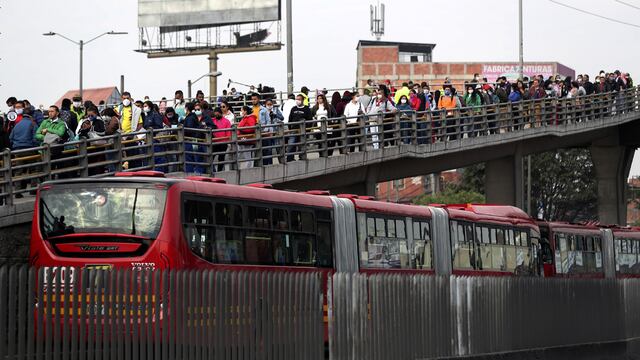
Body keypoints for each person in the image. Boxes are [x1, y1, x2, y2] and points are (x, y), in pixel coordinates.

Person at [286, 94, 312, 162]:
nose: (297, 101)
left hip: (303, 130)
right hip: (294, 130)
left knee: (302, 145)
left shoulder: (307, 109)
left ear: (302, 100)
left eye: (299, 99)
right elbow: (290, 119)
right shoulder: (293, 108)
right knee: (291, 144)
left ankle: (302, 157)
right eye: (296, 99)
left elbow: (310, 120)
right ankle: (290, 158)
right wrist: (290, 128)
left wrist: (308, 130)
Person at [183, 102, 205, 174]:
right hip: (195, 140)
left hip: (191, 141)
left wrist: (183, 130)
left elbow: (189, 129)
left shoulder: (190, 118)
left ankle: (190, 174)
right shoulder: (194, 117)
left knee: (190, 159)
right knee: (198, 159)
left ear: (187, 108)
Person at [211, 107, 232, 172]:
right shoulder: (212, 120)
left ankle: (220, 171)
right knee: (211, 158)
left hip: (223, 143)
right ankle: (213, 170)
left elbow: (228, 133)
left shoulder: (227, 121)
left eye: (218, 115)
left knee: (221, 158)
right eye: (215, 115)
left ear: (221, 113)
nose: (216, 116)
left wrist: (227, 141)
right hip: (214, 142)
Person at [264, 99, 284, 163]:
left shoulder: (276, 109)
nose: (269, 106)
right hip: (268, 132)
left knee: (278, 148)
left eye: (270, 104)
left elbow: (282, 117)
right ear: (265, 105)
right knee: (269, 150)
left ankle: (281, 162)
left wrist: (275, 115)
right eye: (268, 104)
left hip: (276, 132)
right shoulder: (264, 111)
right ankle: (270, 164)